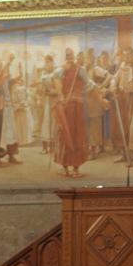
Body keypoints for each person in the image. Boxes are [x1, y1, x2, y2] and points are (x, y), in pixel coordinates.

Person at [45, 48, 107, 178]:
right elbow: (90, 87)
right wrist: (101, 101)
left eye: (70, 56)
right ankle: (71, 169)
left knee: (71, 135)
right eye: (70, 56)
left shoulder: (69, 70)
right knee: (71, 135)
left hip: (71, 107)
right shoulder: (70, 70)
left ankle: (71, 169)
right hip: (72, 107)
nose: (71, 59)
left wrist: (101, 101)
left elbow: (90, 86)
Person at [0, 54, 21, 166]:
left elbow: (7, 82)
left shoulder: (3, 74)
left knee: (10, 131)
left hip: (7, 106)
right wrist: (8, 62)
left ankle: (11, 156)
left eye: (0, 61)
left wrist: (17, 78)